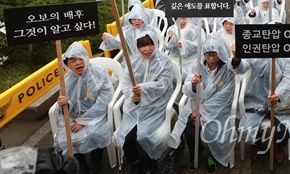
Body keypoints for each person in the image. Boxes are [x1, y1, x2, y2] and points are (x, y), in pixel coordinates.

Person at [169, 36, 236, 173]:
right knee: (190, 132)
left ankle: (213, 156)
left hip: (218, 111)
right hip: (195, 106)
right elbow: (186, 89)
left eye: (214, 54)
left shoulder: (228, 69)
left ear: (220, 53)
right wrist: (193, 84)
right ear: (204, 54)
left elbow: (223, 97)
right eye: (207, 54)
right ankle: (196, 153)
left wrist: (202, 111)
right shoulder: (197, 66)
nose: (211, 59)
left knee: (216, 132)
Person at [113, 31, 174, 174]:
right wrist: (132, 96)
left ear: (155, 43)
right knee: (126, 136)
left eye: (149, 44)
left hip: (156, 104)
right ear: (137, 47)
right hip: (136, 106)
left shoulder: (164, 61)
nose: (147, 49)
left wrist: (143, 89)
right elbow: (126, 84)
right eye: (142, 46)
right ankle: (135, 161)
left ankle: (151, 161)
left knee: (144, 135)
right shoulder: (132, 62)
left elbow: (163, 86)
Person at [54, 42, 113, 174]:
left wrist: (85, 120)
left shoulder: (98, 74)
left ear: (86, 58)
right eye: (72, 60)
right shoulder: (66, 80)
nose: (77, 63)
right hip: (73, 116)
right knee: (67, 137)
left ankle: (96, 159)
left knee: (96, 133)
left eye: (80, 58)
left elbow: (105, 99)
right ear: (67, 64)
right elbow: (63, 109)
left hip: (96, 114)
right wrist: (64, 104)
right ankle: (80, 161)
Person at [230, 51, 290, 165]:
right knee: (247, 129)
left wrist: (278, 94)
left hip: (277, 101)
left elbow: (289, 79)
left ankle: (279, 146)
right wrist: (237, 59)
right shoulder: (255, 47)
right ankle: (255, 143)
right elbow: (242, 68)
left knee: (284, 130)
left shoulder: (287, 52)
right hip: (255, 100)